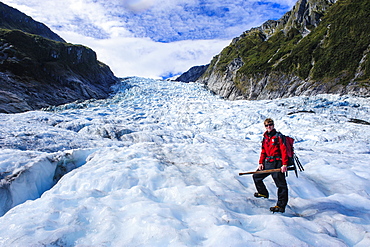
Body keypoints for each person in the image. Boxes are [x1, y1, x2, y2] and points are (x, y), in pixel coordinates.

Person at [253, 118, 288, 213]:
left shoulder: (278, 136)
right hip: (268, 162)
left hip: (277, 163)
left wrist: (284, 164)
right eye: (267, 125)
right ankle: (263, 193)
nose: (269, 127)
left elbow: (284, 150)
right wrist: (261, 162)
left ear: (273, 125)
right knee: (256, 176)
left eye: (270, 125)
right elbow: (263, 151)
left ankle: (281, 206)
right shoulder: (265, 137)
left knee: (281, 185)